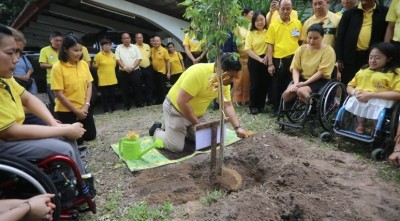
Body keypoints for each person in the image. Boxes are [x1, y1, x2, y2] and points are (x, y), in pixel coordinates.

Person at [0, 24, 86, 174]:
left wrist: (54, 125)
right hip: (5, 142)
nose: (16, 60)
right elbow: (10, 132)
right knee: (64, 147)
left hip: (12, 134)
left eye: (18, 53)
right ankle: (76, 188)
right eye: (11, 53)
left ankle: (81, 179)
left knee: (65, 137)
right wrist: (61, 129)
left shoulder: (6, 78)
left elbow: (28, 99)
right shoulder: (56, 66)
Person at [150, 53, 247, 152]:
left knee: (211, 140)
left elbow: (227, 106)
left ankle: (184, 131)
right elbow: (182, 101)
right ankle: (156, 131)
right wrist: (198, 125)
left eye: (235, 77)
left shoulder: (224, 82)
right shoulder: (198, 72)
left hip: (196, 115)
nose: (232, 80)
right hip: (176, 110)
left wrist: (237, 128)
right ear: (221, 69)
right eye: (231, 76)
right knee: (175, 147)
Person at [344, 42, 400, 134]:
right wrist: (354, 92)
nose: (373, 60)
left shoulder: (395, 73)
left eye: (377, 58)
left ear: (389, 59)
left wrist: (372, 95)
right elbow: (349, 86)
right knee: (356, 100)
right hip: (361, 96)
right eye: (371, 57)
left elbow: (398, 93)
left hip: (381, 98)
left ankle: (376, 128)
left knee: (376, 105)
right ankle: (360, 125)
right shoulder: (363, 70)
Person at [51, 34, 97, 146]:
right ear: (66, 50)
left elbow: (89, 85)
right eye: (75, 50)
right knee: (78, 141)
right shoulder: (58, 67)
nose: (79, 53)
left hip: (84, 108)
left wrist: (86, 105)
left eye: (81, 50)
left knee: (91, 136)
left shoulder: (83, 64)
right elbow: (59, 94)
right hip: (67, 110)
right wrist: (76, 111)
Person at [336, 0, 388, 85]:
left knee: (370, 85)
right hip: (350, 58)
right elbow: (340, 37)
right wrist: (339, 58)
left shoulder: (384, 12)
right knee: (349, 85)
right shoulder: (349, 13)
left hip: (373, 58)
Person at [282, 23, 335, 103]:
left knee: (301, 91)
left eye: (315, 38)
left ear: (322, 37)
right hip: (302, 78)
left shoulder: (328, 51)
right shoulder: (301, 49)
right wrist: (296, 83)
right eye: (309, 38)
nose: (312, 41)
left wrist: (305, 83)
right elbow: (295, 68)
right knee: (286, 94)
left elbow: (321, 72)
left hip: (319, 80)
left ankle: (312, 107)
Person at [266, 0, 302, 116]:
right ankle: (277, 108)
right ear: (279, 9)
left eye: (288, 8)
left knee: (291, 84)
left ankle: (289, 109)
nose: (286, 11)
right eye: (283, 9)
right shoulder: (273, 26)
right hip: (279, 60)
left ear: (292, 9)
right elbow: (270, 46)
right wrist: (270, 64)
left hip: (294, 59)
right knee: (277, 85)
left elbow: (300, 42)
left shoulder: (297, 23)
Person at [245, 11, 270, 115]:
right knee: (254, 84)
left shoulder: (269, 31)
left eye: (261, 19)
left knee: (264, 84)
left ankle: (261, 105)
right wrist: (260, 59)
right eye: (257, 20)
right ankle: (253, 106)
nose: (260, 22)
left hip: (267, 59)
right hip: (254, 61)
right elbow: (247, 49)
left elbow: (271, 45)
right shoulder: (250, 33)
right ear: (253, 22)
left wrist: (267, 57)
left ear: (265, 20)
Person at [115, 32, 143, 110]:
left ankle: (139, 104)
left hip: (135, 71)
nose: (126, 40)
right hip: (123, 72)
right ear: (122, 40)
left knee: (137, 88)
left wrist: (133, 67)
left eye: (128, 38)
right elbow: (117, 59)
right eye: (124, 38)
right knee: (124, 89)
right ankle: (127, 105)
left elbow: (139, 58)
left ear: (130, 39)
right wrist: (124, 67)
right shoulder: (118, 47)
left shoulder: (135, 47)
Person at [232, 7, 253, 107]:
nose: (252, 16)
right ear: (245, 15)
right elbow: (236, 42)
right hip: (241, 56)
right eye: (251, 14)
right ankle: (237, 99)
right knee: (239, 79)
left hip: (250, 56)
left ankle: (247, 98)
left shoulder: (252, 25)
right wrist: (245, 42)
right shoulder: (238, 26)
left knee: (248, 79)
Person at [39, 31, 63, 113]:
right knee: (55, 103)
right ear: (51, 40)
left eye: (60, 41)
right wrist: (55, 65)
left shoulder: (64, 50)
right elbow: (42, 65)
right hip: (51, 81)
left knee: (65, 102)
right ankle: (57, 122)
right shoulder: (44, 50)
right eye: (56, 40)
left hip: (65, 80)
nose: (59, 43)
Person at [93, 37, 117, 113]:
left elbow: (115, 65)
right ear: (102, 46)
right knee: (105, 97)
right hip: (103, 80)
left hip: (112, 79)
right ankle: (106, 110)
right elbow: (95, 66)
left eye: (109, 45)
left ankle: (113, 109)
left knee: (112, 96)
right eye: (105, 45)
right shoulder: (98, 56)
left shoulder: (113, 55)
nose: (107, 46)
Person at [10, 28, 37, 94]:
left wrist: (27, 75)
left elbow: (31, 68)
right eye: (10, 51)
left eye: (20, 52)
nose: (17, 58)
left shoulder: (24, 57)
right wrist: (20, 77)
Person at [135, 32, 154, 106]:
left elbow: (149, 57)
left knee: (149, 85)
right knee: (139, 86)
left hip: (148, 68)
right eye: (138, 38)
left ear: (142, 38)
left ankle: (149, 101)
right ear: (135, 39)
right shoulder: (133, 47)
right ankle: (141, 102)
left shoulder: (147, 46)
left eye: (141, 37)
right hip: (138, 68)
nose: (140, 39)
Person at [151, 36, 170, 104]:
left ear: (160, 42)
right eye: (154, 41)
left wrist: (168, 72)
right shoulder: (152, 49)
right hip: (154, 71)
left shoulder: (164, 50)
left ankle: (165, 101)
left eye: (157, 41)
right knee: (156, 87)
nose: (155, 42)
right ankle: (158, 101)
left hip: (162, 71)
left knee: (163, 87)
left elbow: (168, 61)